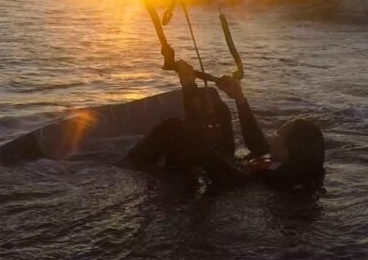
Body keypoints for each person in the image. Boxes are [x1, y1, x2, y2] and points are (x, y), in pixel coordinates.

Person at [126, 60, 325, 189]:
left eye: (278, 134)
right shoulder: (287, 165)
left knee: (175, 127)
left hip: (221, 180)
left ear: (284, 153)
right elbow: (258, 145)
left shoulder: (254, 182)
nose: (273, 135)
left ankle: (127, 165)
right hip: (222, 164)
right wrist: (239, 98)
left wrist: (188, 87)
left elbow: (199, 146)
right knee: (220, 110)